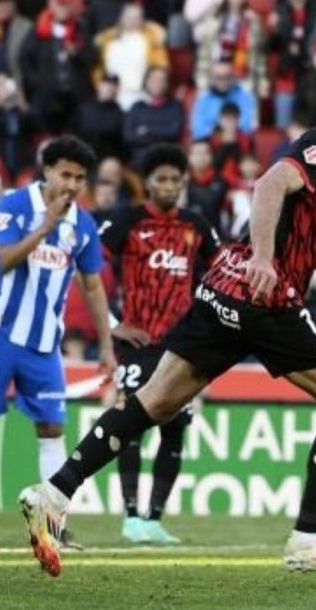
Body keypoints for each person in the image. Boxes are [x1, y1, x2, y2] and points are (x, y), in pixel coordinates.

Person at [17, 58, 316, 578]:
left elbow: (312, 245)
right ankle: (308, 537)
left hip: (223, 293)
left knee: (154, 402)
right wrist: (264, 260)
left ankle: (52, 493)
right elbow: (269, 186)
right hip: (263, 300)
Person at [0, 137, 117, 550]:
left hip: (44, 344)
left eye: (79, 178)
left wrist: (106, 345)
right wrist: (44, 229)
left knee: (52, 427)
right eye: (65, 174)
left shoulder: (83, 226)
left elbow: (92, 286)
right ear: (47, 170)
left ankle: (52, 527)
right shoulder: (16, 205)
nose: (71, 184)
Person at [100, 144, 219, 545]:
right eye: (161, 179)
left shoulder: (196, 225)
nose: (169, 186)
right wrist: (114, 324)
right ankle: (131, 516)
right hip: (139, 342)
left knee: (175, 429)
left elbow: (221, 272)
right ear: (148, 183)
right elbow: (90, 269)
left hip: (182, 346)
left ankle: (154, 518)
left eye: (175, 180)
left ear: (184, 183)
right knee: (132, 424)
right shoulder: (127, 222)